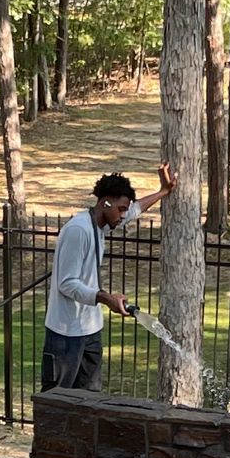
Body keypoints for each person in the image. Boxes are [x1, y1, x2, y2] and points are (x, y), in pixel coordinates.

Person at [42, 164, 176, 393]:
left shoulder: (102, 223)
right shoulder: (79, 231)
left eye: (125, 210)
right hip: (65, 334)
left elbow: (134, 211)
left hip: (90, 331)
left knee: (90, 403)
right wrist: (106, 299)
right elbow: (67, 283)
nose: (123, 215)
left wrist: (163, 192)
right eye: (121, 209)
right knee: (57, 402)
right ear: (105, 203)